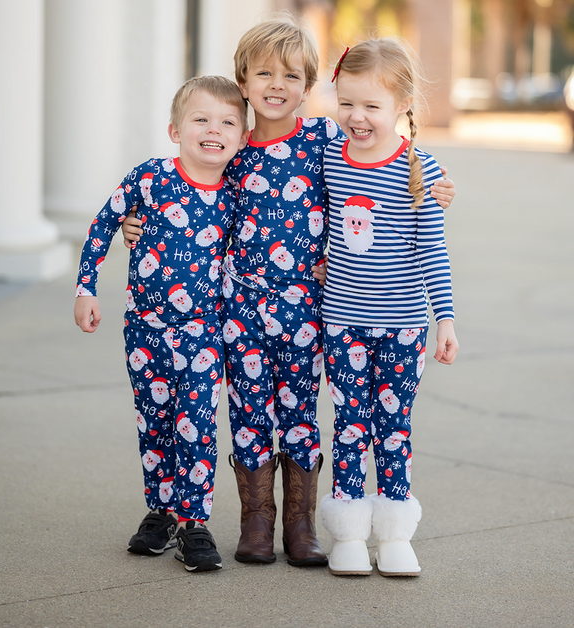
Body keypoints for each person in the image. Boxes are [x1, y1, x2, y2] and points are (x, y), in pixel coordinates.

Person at [122, 14, 456, 569]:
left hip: (307, 308)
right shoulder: (227, 145)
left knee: (301, 414)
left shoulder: (325, 139)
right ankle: (257, 522)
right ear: (243, 81)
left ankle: (301, 526)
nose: (276, 86)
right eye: (263, 75)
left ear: (309, 85)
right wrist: (138, 222)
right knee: (249, 414)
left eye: (291, 76)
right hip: (239, 310)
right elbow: (184, 189)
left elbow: (381, 162)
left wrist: (434, 183)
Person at [74, 75, 249, 572]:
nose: (213, 130)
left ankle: (195, 522)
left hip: (206, 333)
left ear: (240, 138)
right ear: (175, 129)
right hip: (144, 330)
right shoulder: (150, 178)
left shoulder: (238, 196)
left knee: (196, 425)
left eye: (227, 123)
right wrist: (86, 287)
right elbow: (103, 222)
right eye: (201, 120)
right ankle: (162, 510)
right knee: (155, 424)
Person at [318, 38, 459, 577]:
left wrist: (444, 318)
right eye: (346, 102)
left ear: (402, 107)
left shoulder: (419, 168)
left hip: (403, 328)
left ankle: (395, 533)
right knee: (350, 426)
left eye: (371, 106)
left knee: (394, 428)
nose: (356, 117)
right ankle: (349, 534)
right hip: (342, 323)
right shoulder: (330, 156)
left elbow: (432, 252)